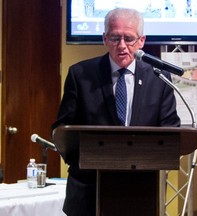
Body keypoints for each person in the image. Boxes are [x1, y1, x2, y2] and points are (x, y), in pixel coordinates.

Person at [52, 7, 180, 216]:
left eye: (128, 38)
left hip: (142, 192)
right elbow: (62, 130)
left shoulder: (159, 78)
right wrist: (91, 157)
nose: (122, 46)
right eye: (114, 38)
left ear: (141, 41)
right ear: (104, 38)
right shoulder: (80, 74)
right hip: (88, 192)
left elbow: (170, 131)